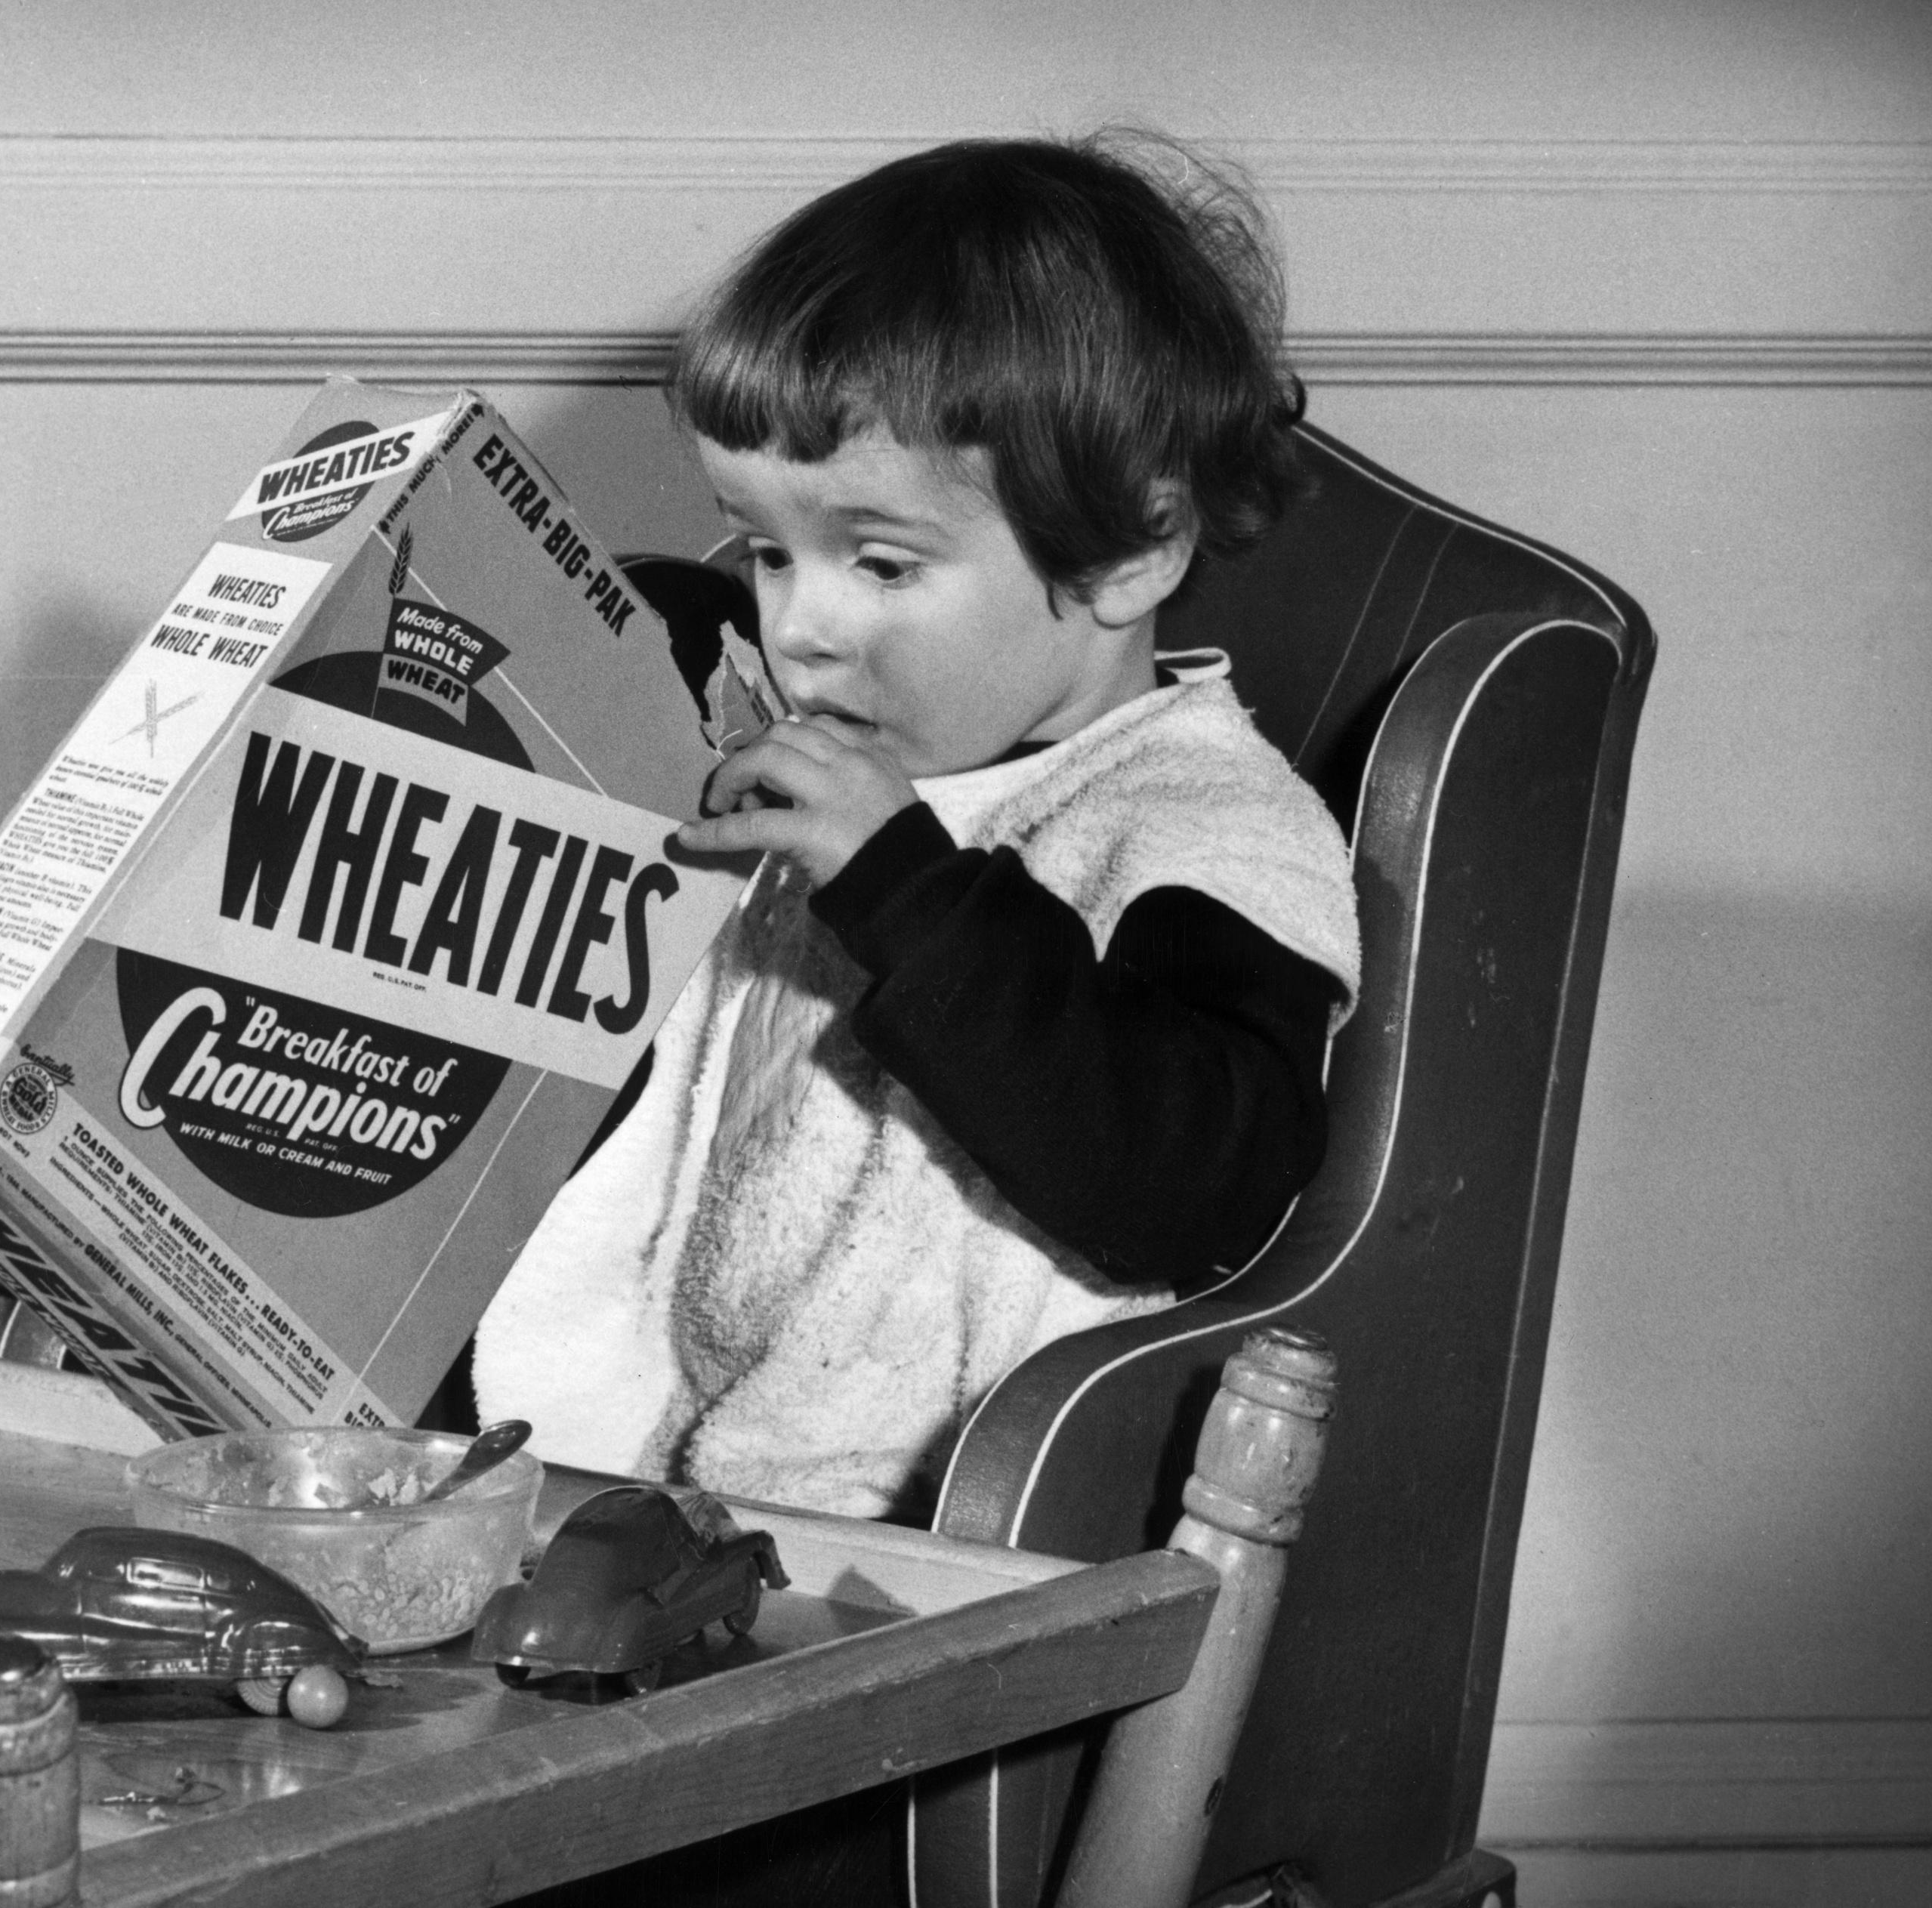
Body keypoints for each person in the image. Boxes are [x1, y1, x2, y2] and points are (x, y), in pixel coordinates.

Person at [471, 134, 1362, 1521]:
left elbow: (1192, 1184)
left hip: (943, 1546)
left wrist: (906, 882)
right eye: (767, 548)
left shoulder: (1210, 825)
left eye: (879, 563)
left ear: (1132, 548)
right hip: (658, 1487)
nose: (801, 627)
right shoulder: (825, 737)